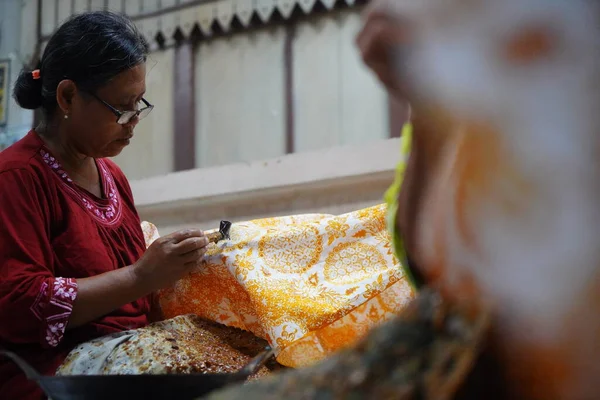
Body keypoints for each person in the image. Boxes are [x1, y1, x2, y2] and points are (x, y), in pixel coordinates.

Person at [0, 11, 209, 400]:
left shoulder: (112, 175)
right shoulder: (15, 177)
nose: (133, 122)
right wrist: (140, 276)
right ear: (67, 97)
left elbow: (141, 293)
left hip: (128, 354)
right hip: (50, 377)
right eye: (121, 109)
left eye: (139, 105)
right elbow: (20, 305)